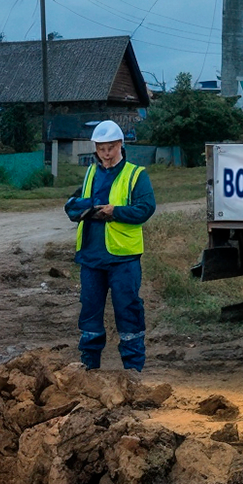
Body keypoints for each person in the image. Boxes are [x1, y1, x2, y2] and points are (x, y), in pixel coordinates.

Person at [63, 120, 156, 371]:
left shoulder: (136, 174)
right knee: (90, 312)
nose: (105, 153)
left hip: (123, 258)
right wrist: (85, 208)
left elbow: (146, 208)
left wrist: (115, 211)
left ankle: (133, 371)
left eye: (110, 147)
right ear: (95, 148)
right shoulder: (92, 173)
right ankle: (89, 368)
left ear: (120, 146)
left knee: (128, 310)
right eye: (101, 148)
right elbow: (74, 204)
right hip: (92, 256)